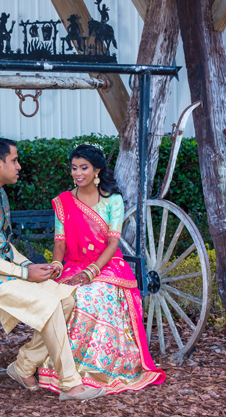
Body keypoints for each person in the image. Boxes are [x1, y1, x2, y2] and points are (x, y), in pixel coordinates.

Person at [0, 137, 106, 401]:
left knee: (66, 298)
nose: (19, 166)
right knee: (47, 306)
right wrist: (25, 274)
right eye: (14, 160)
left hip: (3, 272)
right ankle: (71, 385)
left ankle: (22, 366)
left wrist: (29, 265)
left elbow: (3, 243)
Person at [38, 143, 166, 394]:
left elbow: (113, 242)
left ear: (96, 170)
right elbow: (60, 241)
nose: (77, 173)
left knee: (91, 296)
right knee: (63, 295)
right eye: (74, 168)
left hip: (108, 265)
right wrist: (56, 264)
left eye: (83, 168)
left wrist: (91, 272)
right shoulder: (63, 202)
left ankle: (100, 368)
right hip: (74, 265)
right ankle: (62, 368)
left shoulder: (112, 200)